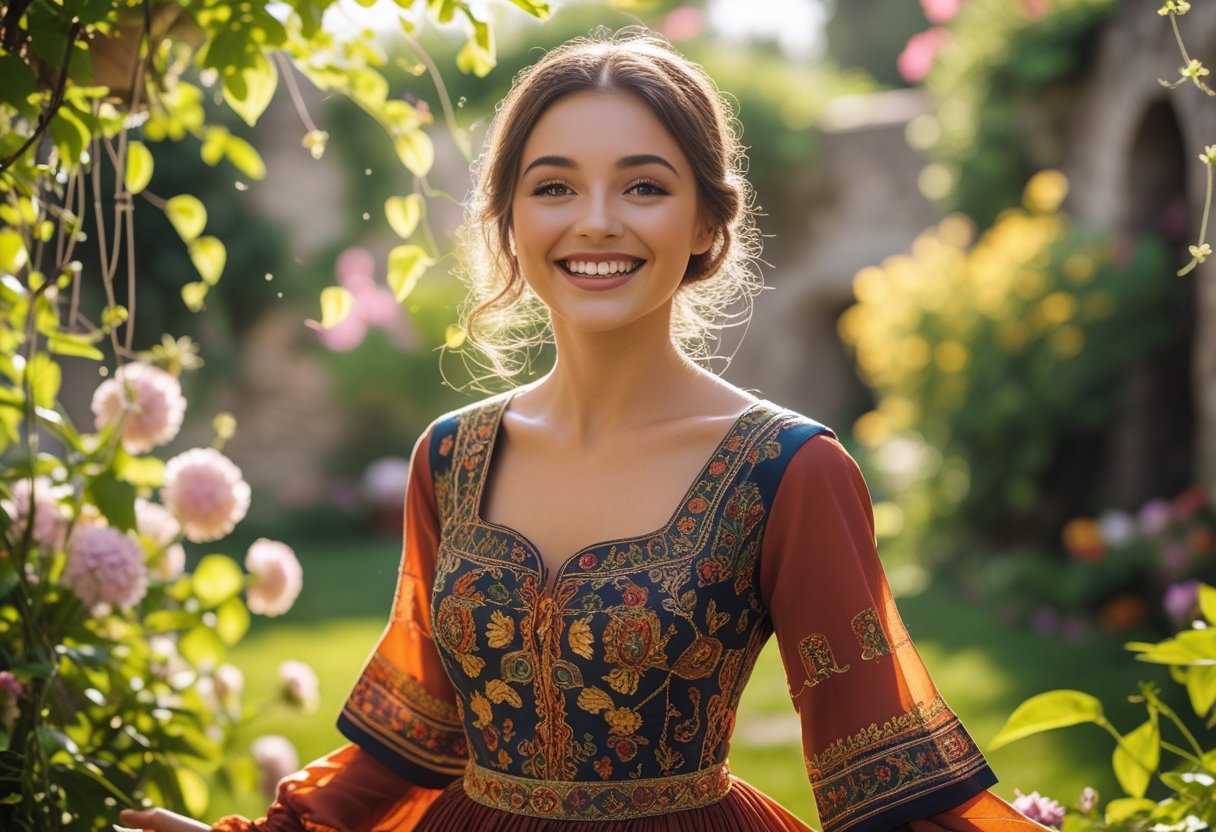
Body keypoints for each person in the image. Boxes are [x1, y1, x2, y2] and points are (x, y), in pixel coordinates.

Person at [120, 28, 1046, 832]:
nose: (595, 223)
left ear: (706, 224)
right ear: (510, 220)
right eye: (554, 188)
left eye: (643, 187)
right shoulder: (450, 458)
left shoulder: (791, 470)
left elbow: (886, 774)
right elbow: (415, 739)